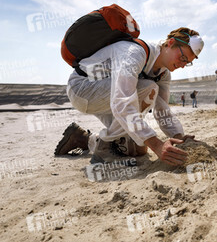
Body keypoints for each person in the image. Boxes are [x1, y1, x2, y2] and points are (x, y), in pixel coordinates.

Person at [55, 27, 204, 166]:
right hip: (83, 88)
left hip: (108, 95)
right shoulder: (135, 53)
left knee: (138, 149)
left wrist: (178, 137)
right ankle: (104, 148)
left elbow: (162, 109)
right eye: (183, 57)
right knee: (149, 89)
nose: (183, 65)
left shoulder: (164, 73)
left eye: (188, 63)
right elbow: (122, 103)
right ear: (170, 43)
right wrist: (157, 145)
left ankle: (81, 138)